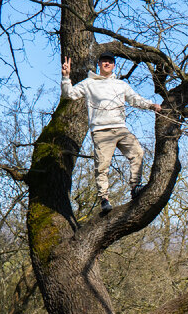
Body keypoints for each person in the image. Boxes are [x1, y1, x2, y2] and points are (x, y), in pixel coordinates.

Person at [61, 52, 161, 213]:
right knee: (102, 166)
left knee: (137, 152)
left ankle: (135, 186)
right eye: (103, 62)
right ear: (99, 64)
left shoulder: (120, 85)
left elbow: (135, 99)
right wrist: (66, 77)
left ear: (114, 65)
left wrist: (151, 105)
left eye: (110, 62)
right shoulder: (89, 83)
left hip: (120, 128)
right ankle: (104, 198)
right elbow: (69, 94)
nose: (107, 64)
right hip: (101, 130)